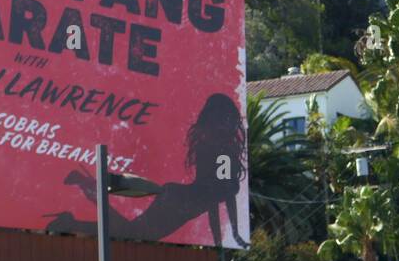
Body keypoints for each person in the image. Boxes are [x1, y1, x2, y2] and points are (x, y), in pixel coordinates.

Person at [44, 93, 248, 248]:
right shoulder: (217, 151)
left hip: (180, 199)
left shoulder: (219, 151)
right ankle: (82, 202)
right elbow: (213, 198)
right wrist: (224, 239)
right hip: (181, 203)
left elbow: (221, 198)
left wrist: (233, 236)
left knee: (130, 232)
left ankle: (78, 207)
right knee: (132, 233)